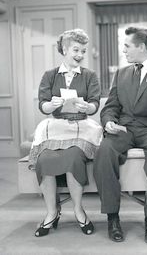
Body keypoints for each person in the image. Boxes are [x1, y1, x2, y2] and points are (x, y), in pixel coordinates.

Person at [93, 26, 147, 244]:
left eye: (127, 46)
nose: (123, 50)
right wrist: (109, 122)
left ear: (141, 46)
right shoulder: (122, 73)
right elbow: (111, 105)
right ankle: (112, 216)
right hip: (124, 128)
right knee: (104, 150)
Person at [29, 28, 103, 237]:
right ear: (64, 49)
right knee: (44, 159)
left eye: (83, 51)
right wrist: (50, 106)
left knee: (73, 157)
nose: (80, 55)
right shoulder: (50, 76)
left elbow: (95, 103)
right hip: (56, 127)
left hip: (81, 127)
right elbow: (42, 105)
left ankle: (79, 210)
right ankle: (52, 212)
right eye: (76, 50)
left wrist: (88, 108)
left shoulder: (89, 76)